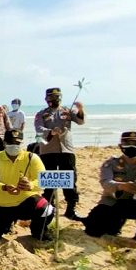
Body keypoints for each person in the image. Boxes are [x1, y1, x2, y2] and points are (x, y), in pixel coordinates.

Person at [82, 131, 136, 246]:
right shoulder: (111, 163)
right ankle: (116, 225)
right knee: (93, 229)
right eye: (127, 143)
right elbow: (105, 183)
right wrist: (121, 186)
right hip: (116, 203)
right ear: (120, 146)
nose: (131, 147)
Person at [0, 129, 53, 242]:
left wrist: (31, 185)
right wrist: (3, 187)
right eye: (10, 143)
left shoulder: (31, 158)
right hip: (0, 204)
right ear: (4, 143)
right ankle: (5, 223)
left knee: (47, 209)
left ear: (22, 143)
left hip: (24, 202)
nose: (14, 146)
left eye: (17, 143)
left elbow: (44, 180)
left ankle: (38, 232)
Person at [34, 87, 86, 220]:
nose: (54, 100)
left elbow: (80, 121)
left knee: (69, 180)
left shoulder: (67, 111)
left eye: (57, 97)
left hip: (66, 150)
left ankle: (71, 209)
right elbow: (39, 128)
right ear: (46, 99)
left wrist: (80, 109)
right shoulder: (41, 114)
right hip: (48, 151)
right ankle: (49, 209)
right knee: (49, 181)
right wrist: (51, 131)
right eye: (51, 97)